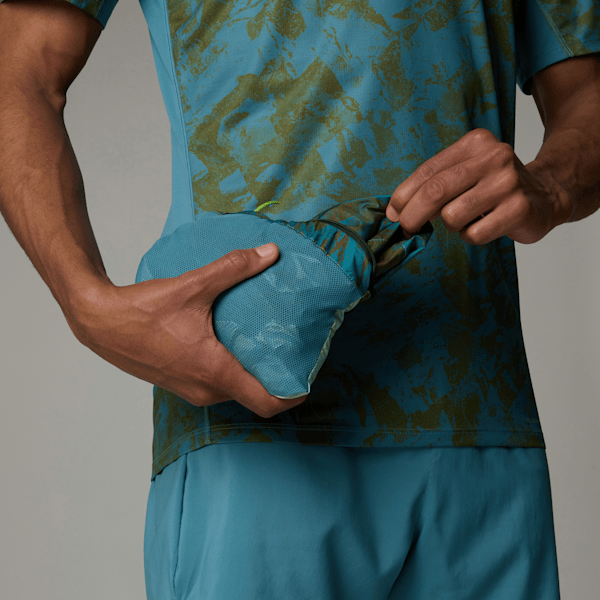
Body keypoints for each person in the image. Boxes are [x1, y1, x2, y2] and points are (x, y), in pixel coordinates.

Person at [1, 0, 599, 598]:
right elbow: (17, 68)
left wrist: (552, 184)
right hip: (249, 417)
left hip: (479, 423)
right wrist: (88, 307)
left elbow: (586, 90)